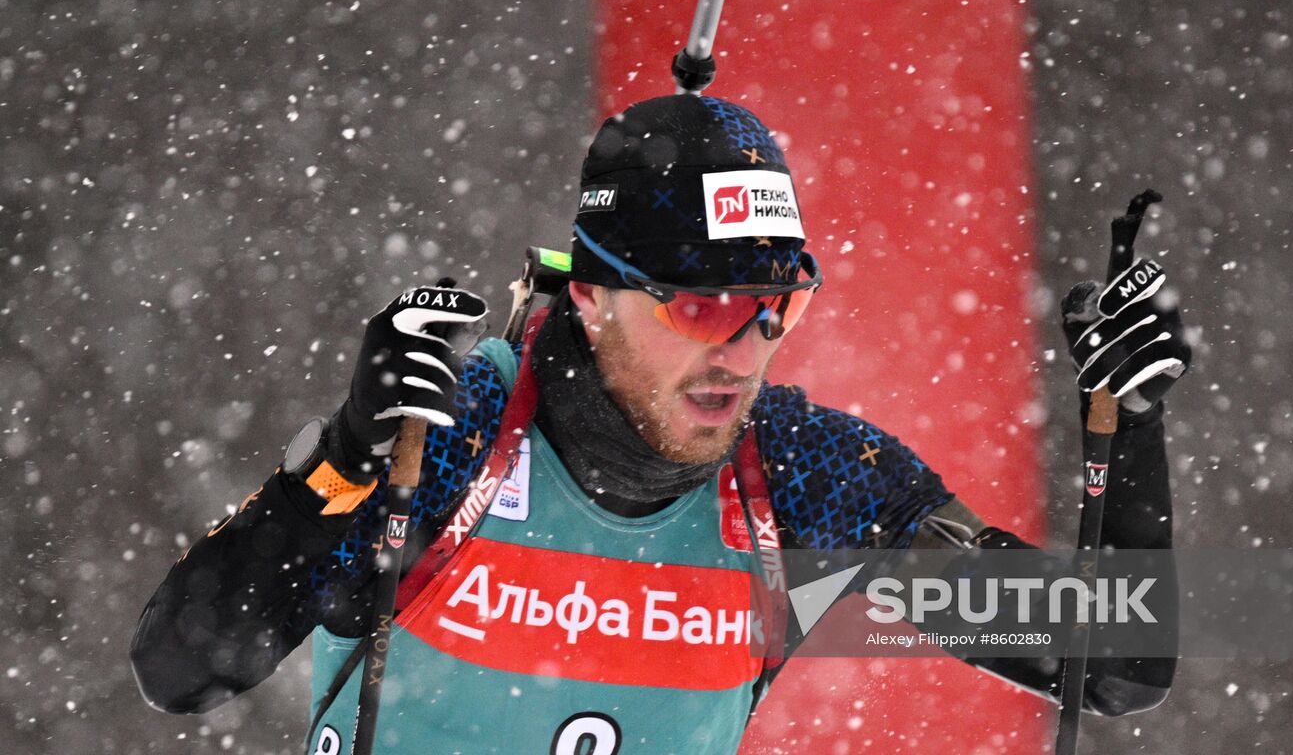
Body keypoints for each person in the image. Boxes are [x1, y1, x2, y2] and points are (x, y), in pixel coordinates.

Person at [131, 94, 1192, 753]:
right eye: (700, 305)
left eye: (776, 305)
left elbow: (1112, 664)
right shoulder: (455, 436)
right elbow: (180, 668)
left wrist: (1129, 425)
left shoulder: (804, 483)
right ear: (590, 297)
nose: (741, 349)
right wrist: (344, 467)